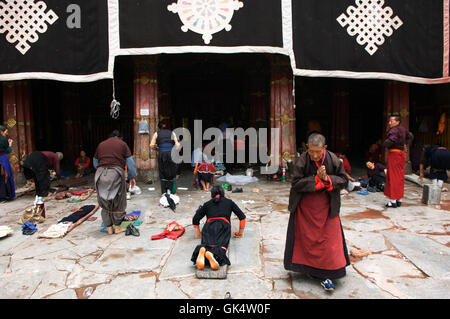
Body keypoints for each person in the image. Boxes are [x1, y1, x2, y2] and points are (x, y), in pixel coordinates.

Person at [284, 133, 350, 292]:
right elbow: (296, 183)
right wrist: (316, 180)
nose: (314, 155)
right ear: (307, 147)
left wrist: (327, 179)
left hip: (327, 206)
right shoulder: (303, 160)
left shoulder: (333, 159)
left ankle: (330, 270)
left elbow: (343, 180)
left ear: (324, 148)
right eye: (311, 151)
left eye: (318, 152)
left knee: (329, 239)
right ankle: (310, 270)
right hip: (306, 207)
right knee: (307, 239)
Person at [191, 186, 246, 271]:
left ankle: (203, 251)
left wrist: (198, 232)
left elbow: (195, 219)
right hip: (223, 227)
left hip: (208, 227)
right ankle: (212, 255)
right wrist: (240, 233)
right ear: (223, 194)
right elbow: (242, 217)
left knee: (207, 244)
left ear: (212, 194)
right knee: (221, 247)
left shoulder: (207, 204)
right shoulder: (229, 202)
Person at [93, 130, 137, 235]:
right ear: (120, 137)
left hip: (100, 173)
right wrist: (132, 176)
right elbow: (130, 162)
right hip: (115, 173)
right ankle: (117, 227)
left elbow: (95, 162)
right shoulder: (122, 144)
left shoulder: (101, 144)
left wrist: (101, 170)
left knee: (104, 201)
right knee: (118, 199)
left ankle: (109, 228)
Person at [383, 115, 413, 208]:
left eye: (391, 121)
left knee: (392, 176)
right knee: (400, 177)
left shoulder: (394, 130)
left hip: (394, 155)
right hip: (401, 154)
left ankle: (393, 201)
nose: (389, 123)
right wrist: (404, 144)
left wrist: (384, 144)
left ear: (397, 122)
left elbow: (391, 140)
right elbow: (410, 136)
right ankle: (399, 199)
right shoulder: (403, 129)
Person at [150, 121, 180, 195]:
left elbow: (151, 145)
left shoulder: (156, 134)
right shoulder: (172, 133)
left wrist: (157, 148)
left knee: (162, 171)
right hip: (171, 154)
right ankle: (172, 191)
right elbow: (177, 145)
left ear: (159, 127)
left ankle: (164, 192)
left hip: (162, 154)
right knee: (171, 171)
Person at [0, 125, 15, 201]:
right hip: (3, 159)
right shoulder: (3, 139)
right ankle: (7, 195)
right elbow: (8, 150)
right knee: (6, 176)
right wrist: (10, 144)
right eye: (6, 131)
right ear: (1, 131)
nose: (6, 133)